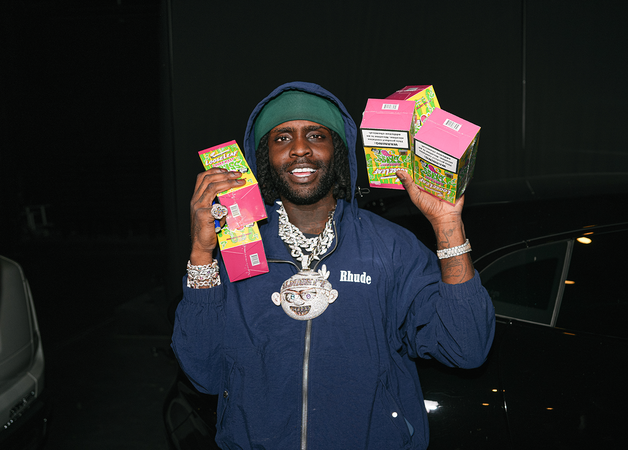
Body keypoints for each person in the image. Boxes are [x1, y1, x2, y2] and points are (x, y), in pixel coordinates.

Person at [171, 81, 495, 450]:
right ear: (263, 159)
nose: (299, 149)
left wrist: (447, 226)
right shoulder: (233, 253)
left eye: (315, 134)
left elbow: (466, 348)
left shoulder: (389, 248)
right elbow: (203, 373)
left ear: (338, 152)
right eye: (281, 138)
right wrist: (200, 252)